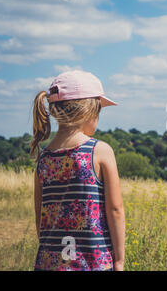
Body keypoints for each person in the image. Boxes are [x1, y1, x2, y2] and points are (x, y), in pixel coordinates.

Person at [30, 70, 125, 271]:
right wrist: (119, 260)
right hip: (93, 264)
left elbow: (41, 218)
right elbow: (115, 209)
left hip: (49, 263)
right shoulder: (100, 151)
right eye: (99, 110)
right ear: (88, 111)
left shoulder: (44, 158)